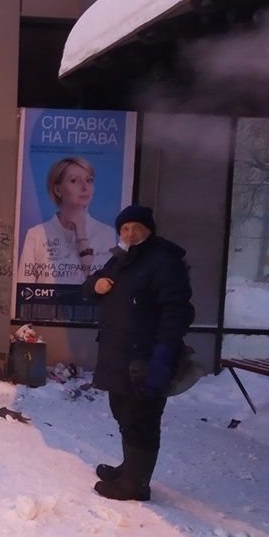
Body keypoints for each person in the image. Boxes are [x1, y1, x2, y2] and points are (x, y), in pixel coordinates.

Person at [82, 205, 195, 502]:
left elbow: (176, 312)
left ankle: (136, 483)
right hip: (119, 355)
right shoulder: (120, 259)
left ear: (149, 231)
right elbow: (87, 286)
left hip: (145, 357)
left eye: (137, 228)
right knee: (123, 412)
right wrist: (96, 284)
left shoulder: (163, 262)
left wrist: (162, 358)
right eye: (125, 229)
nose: (130, 234)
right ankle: (130, 468)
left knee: (141, 418)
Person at [17, 157, 118, 285]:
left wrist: (81, 237)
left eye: (89, 180)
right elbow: (24, 287)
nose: (84, 187)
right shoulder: (37, 234)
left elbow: (101, 285)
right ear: (57, 190)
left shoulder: (106, 233)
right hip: (47, 304)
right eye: (74, 180)